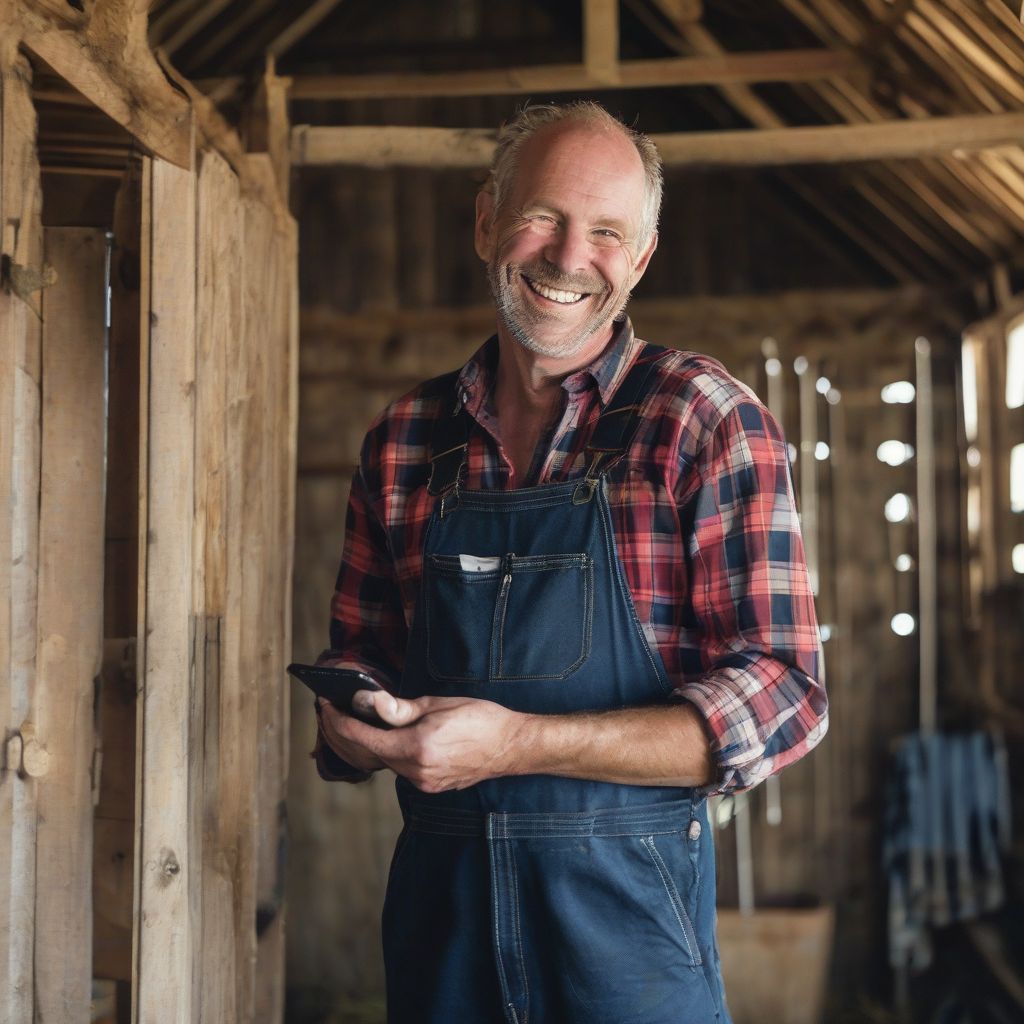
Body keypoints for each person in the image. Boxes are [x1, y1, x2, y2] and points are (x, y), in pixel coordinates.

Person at [312, 101, 828, 1024]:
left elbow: (784, 693)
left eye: (605, 232)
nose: (566, 256)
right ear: (486, 221)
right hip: (443, 940)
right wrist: (354, 719)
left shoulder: (702, 420)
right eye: (543, 216)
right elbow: (361, 651)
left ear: (641, 257)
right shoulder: (403, 441)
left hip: (628, 942)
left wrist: (521, 743)